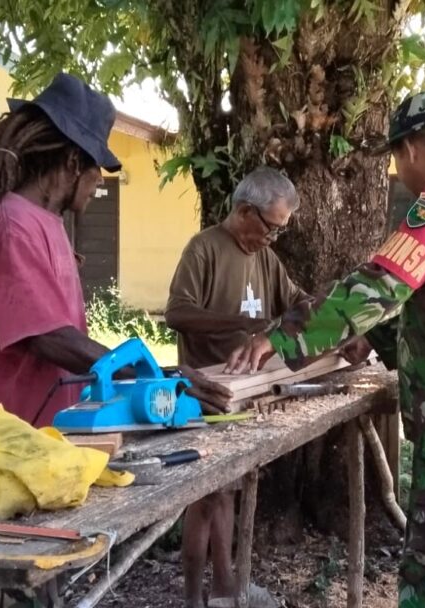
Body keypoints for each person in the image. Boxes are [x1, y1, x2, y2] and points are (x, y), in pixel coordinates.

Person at [225, 90, 425, 608]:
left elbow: (382, 284)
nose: (399, 171)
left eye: (396, 159)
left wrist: (279, 336)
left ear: (412, 149)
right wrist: (371, 336)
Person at [0, 72, 228, 428]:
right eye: (96, 167)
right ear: (72, 162)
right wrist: (154, 376)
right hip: (10, 435)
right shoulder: (14, 226)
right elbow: (48, 337)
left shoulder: (43, 221)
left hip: (46, 431)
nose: (100, 179)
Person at [165, 167, 307, 608]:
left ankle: (225, 589)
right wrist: (244, 324)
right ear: (246, 211)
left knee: (227, 492)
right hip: (205, 392)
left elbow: (297, 301)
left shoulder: (265, 259)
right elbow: (177, 313)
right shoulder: (204, 249)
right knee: (204, 498)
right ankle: (193, 598)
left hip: (246, 394)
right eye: (271, 228)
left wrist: (316, 317)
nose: (274, 238)